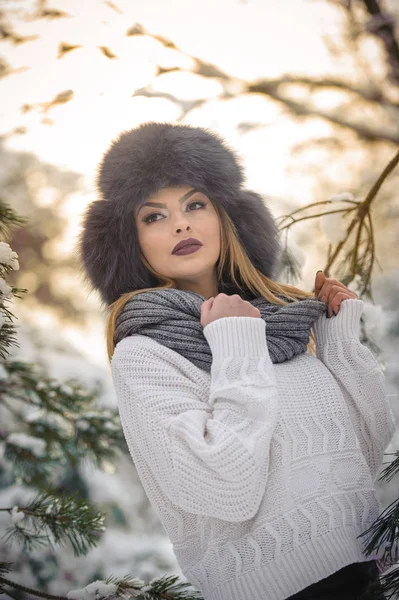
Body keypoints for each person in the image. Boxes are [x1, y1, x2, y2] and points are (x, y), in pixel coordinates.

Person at [77, 122, 396, 600]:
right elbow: (225, 490)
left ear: (227, 217)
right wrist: (235, 344)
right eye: (153, 216)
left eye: (195, 204)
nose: (181, 224)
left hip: (364, 578)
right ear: (129, 241)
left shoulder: (282, 326)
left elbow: (364, 457)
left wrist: (338, 344)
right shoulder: (144, 354)